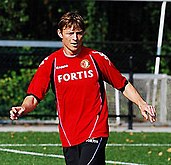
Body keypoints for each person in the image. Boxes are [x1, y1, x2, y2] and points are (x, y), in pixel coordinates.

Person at [10, 11, 156, 165]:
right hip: (68, 134)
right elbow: (34, 97)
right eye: (70, 33)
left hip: (95, 129)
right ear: (60, 33)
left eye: (79, 33)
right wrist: (23, 108)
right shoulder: (51, 63)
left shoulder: (96, 58)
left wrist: (141, 103)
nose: (75, 38)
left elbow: (122, 84)